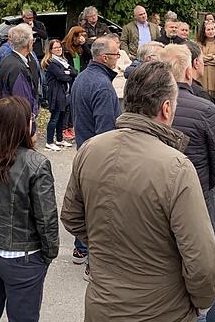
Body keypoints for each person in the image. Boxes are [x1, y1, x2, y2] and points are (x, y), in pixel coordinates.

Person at [62, 60, 215, 321]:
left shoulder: (90, 149)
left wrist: (106, 245)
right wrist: (202, 302)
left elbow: (71, 216)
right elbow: (202, 260)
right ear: (167, 108)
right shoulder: (176, 167)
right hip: (162, 310)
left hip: (102, 305)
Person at [0, 96, 59, 322]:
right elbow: (46, 218)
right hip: (23, 256)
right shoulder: (37, 163)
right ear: (24, 125)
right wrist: (48, 254)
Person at [161, 44, 215, 317]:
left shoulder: (153, 107)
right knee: (208, 256)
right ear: (190, 69)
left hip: (164, 193)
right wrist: (209, 183)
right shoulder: (204, 107)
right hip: (201, 192)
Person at [68, 35, 121, 275]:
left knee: (87, 202)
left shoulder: (83, 78)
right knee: (100, 211)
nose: (118, 59)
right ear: (104, 57)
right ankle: (94, 264)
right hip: (99, 157)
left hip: (84, 149)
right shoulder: (102, 86)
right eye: (116, 54)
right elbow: (106, 131)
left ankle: (80, 247)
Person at [0, 24, 40, 129]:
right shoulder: (17, 67)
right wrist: (30, 128)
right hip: (17, 125)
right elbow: (23, 102)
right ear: (29, 43)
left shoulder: (10, 59)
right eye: (32, 40)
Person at [42, 39, 77, 151]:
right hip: (56, 94)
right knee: (54, 118)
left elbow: (75, 72)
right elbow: (63, 77)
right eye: (55, 48)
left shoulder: (63, 61)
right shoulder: (51, 63)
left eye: (59, 47)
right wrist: (67, 73)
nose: (58, 49)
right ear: (51, 50)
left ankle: (60, 139)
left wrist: (68, 72)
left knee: (62, 117)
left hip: (65, 93)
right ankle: (49, 141)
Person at [199, 21, 215, 109]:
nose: (211, 31)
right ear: (204, 31)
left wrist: (206, 59)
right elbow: (199, 59)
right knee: (203, 100)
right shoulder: (199, 43)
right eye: (208, 29)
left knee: (214, 101)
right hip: (203, 74)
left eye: (212, 29)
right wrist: (212, 57)